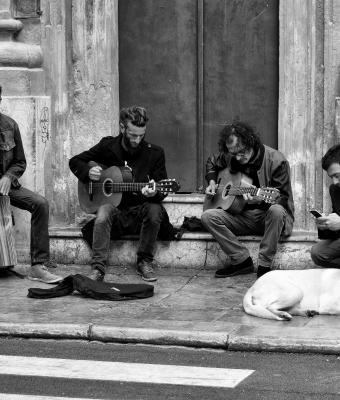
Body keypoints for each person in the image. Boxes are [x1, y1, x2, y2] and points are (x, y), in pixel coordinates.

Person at [69, 106, 171, 282]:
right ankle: (98, 268)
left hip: (139, 211)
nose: (137, 140)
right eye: (133, 135)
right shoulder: (108, 146)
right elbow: (75, 161)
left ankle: (144, 261)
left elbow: (162, 190)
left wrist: (153, 193)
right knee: (103, 212)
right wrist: (88, 172)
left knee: (155, 210)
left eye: (141, 135)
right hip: (116, 213)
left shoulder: (155, 153)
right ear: (122, 128)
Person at [201, 121, 295, 278]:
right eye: (233, 153)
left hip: (267, 218)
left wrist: (259, 200)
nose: (238, 157)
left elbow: (283, 199)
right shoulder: (233, 156)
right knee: (207, 216)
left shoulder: (277, 160)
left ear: (250, 141)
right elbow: (212, 161)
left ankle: (264, 266)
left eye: (242, 152)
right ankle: (241, 260)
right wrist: (211, 181)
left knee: (277, 210)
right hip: (240, 217)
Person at [0, 86, 62, 284]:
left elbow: (20, 162)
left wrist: (9, 177)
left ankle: (37, 266)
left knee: (40, 203)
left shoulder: (10, 125)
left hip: (7, 187)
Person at [311, 144, 340, 267]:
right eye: (331, 177)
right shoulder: (335, 189)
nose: (334, 182)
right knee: (318, 252)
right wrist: (326, 226)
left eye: (337, 176)